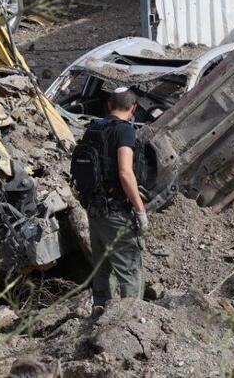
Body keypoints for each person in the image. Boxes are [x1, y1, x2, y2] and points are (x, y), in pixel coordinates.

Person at [71, 87, 148, 317]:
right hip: (116, 211)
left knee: (102, 270)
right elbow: (125, 173)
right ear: (133, 109)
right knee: (130, 271)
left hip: (95, 210)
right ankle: (129, 322)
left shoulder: (94, 128)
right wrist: (140, 210)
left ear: (108, 105)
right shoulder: (124, 131)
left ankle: (99, 316)